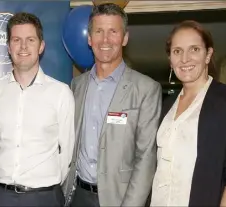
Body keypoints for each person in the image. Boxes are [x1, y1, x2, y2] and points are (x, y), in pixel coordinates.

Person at [63, 3, 162, 207]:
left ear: (125, 37)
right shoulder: (76, 86)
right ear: (89, 39)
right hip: (77, 197)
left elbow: (146, 158)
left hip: (118, 200)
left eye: (113, 31)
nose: (105, 40)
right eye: (99, 31)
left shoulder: (146, 89)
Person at [150, 20, 226, 206]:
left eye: (194, 49)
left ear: (208, 55)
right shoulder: (166, 106)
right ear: (170, 60)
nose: (185, 59)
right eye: (177, 51)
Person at [0, 12, 75, 206]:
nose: (23, 46)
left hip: (44, 197)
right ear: (9, 47)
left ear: (41, 46)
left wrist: (44, 183)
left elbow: (67, 151)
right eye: (17, 40)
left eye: (30, 40)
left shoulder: (61, 93)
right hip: (1, 196)